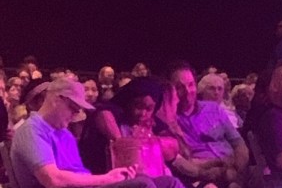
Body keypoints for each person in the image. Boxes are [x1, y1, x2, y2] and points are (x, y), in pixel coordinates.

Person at [10, 77, 183, 188]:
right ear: (57, 100)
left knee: (169, 183)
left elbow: (79, 174)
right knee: (142, 185)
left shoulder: (64, 133)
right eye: (73, 109)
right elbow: (53, 180)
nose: (75, 115)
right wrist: (106, 179)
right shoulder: (32, 130)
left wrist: (113, 178)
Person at [169, 64, 248, 187]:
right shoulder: (170, 120)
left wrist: (237, 169)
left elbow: (238, 144)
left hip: (232, 171)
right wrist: (211, 170)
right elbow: (181, 162)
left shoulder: (214, 109)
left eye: (191, 85)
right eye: (180, 87)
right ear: (170, 90)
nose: (188, 91)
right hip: (201, 176)